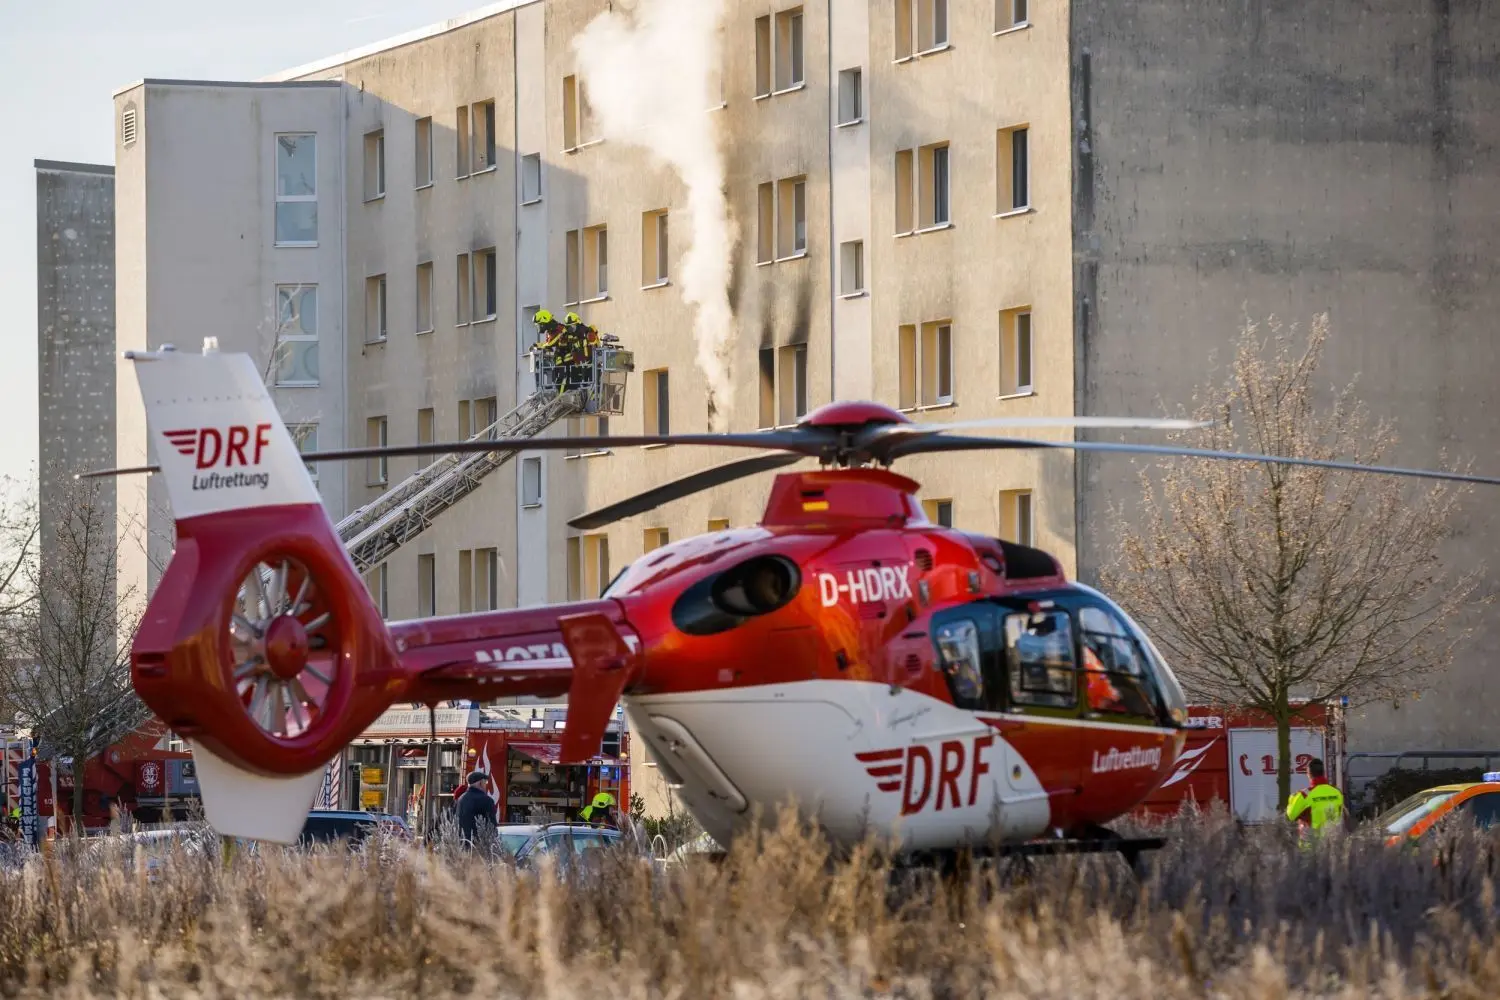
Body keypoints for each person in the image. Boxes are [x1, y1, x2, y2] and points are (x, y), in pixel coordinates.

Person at [1285, 758, 1345, 839]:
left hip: (1311, 843)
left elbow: (1291, 815)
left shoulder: (1305, 795)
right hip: (1333, 841)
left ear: (1308, 774)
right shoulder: (1337, 792)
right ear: (1323, 773)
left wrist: (1292, 798)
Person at [456, 770, 498, 846]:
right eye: (485, 782)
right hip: (479, 846)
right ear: (480, 783)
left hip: (461, 844)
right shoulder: (486, 800)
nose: (486, 785)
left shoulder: (460, 799)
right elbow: (492, 826)